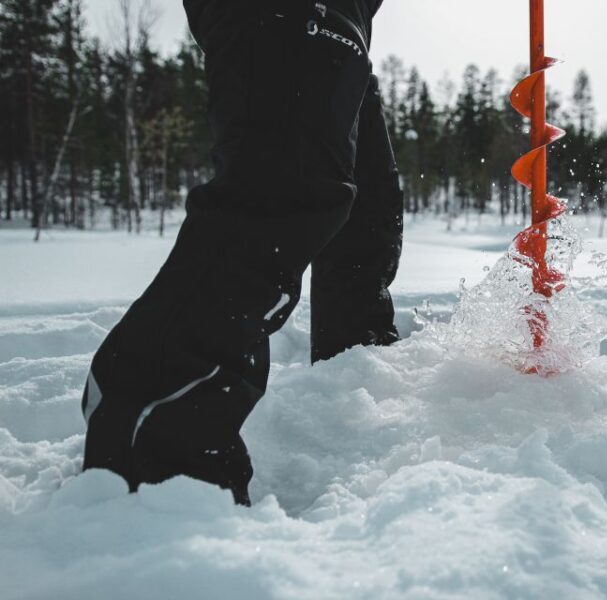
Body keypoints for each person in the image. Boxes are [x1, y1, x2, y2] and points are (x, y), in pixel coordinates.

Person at [79, 0, 401, 506]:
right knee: (282, 188)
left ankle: (349, 383)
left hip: (349, 13)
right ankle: (155, 457)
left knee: (365, 211)